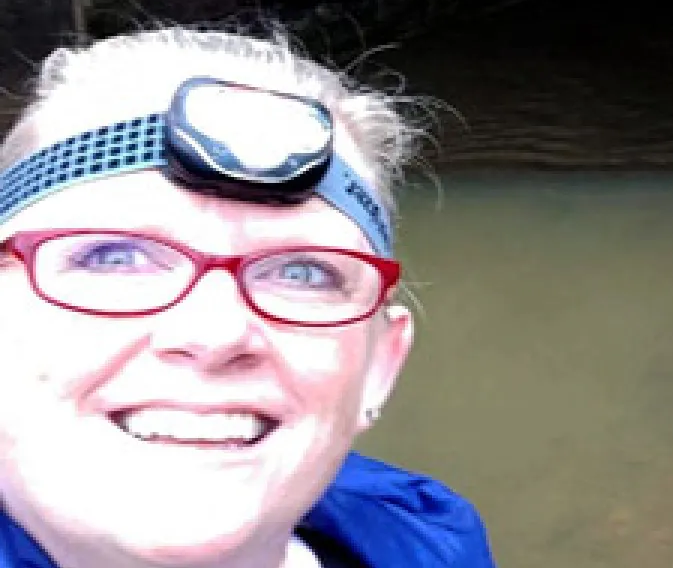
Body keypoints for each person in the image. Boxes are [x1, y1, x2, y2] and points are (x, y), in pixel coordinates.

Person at [0, 28, 495, 567]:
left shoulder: (425, 539)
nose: (215, 334)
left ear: (382, 363)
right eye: (113, 259)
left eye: (302, 273)